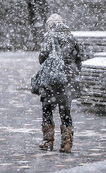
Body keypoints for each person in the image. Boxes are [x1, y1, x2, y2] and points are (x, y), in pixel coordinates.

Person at [37, 13, 82, 153]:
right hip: (66, 81)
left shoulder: (49, 36)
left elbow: (42, 57)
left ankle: (48, 141)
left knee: (47, 109)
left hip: (51, 79)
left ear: (49, 25)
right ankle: (66, 143)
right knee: (65, 111)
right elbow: (79, 59)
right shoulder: (71, 37)